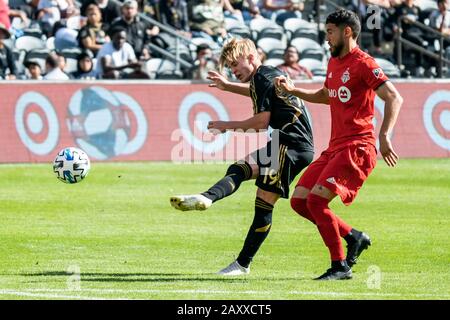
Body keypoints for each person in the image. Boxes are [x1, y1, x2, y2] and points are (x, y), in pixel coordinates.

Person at [274, 9, 403, 280]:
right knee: (299, 201)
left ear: (347, 32)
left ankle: (340, 266)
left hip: (357, 147)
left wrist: (384, 135)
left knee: (317, 202)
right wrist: (294, 90)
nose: (326, 38)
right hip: (335, 147)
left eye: (330, 32)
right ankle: (354, 237)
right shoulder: (334, 62)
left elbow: (393, 97)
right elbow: (326, 95)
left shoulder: (364, 64)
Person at [170, 37, 314, 276]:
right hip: (289, 144)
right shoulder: (267, 74)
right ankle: (207, 200)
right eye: (229, 67)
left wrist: (226, 125)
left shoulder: (261, 76)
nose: (233, 70)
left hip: (289, 146)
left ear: (250, 56)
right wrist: (227, 86)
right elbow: (256, 92)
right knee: (244, 175)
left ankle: (241, 262)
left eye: (234, 64)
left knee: (258, 195)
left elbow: (260, 123)